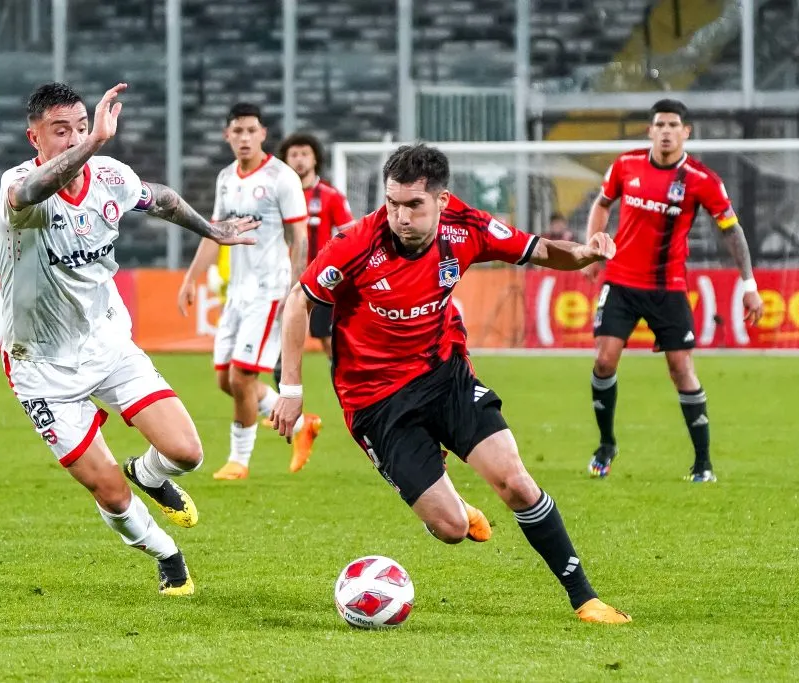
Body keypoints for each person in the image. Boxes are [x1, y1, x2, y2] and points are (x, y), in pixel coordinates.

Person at [272, 143, 631, 624]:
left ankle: (585, 598)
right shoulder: (356, 242)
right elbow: (299, 301)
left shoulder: (468, 227)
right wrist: (291, 389)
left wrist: (584, 251)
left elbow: (539, 250)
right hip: (376, 403)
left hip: (445, 376)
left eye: (413, 205)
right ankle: (455, 504)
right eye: (392, 203)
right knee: (451, 529)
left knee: (516, 483)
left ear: (441, 201)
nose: (399, 216)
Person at [0, 82, 257, 596]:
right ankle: (167, 555)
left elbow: (160, 199)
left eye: (79, 127)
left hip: (108, 343)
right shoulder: (20, 186)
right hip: (41, 369)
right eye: (60, 131)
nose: (73, 138)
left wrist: (212, 230)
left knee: (187, 453)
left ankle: (152, 472)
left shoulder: (111, 177)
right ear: (35, 139)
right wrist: (93, 142)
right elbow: (30, 193)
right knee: (110, 493)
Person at [582, 99, 764, 483]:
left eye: (673, 125)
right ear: (650, 130)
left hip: (668, 287)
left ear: (686, 132)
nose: (666, 131)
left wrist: (749, 284)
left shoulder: (702, 179)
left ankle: (702, 462)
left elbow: (732, 231)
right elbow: (602, 204)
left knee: (681, 369)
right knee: (604, 360)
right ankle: (606, 444)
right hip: (621, 282)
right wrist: (592, 247)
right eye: (659, 124)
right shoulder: (626, 165)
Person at [177, 103, 321, 480]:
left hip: (270, 289)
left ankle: (239, 460)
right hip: (237, 292)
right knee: (226, 381)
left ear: (262, 134)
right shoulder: (226, 178)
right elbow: (216, 234)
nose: (244, 137)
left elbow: (300, 236)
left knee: (242, 378)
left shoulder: (281, 177)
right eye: (237, 131)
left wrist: (297, 289)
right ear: (227, 135)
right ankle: (303, 423)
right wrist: (191, 277)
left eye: (250, 130)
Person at [277, 132, 355, 360]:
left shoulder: (331, 196)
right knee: (281, 342)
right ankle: (283, 392)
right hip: (281, 277)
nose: (299, 159)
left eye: (304, 154)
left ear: (315, 159)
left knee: (328, 339)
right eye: (294, 154)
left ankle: (349, 385)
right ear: (285, 159)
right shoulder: (277, 195)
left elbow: (350, 235)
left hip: (322, 278)